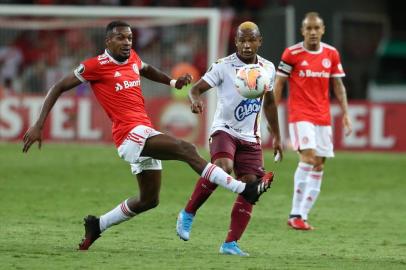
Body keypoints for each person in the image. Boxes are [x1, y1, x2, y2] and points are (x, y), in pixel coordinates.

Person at [22, 21, 274, 251]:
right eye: (120, 38)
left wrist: (173, 82)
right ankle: (243, 188)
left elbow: (146, 69)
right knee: (186, 149)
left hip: (144, 131)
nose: (127, 42)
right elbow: (58, 86)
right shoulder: (94, 66)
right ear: (108, 42)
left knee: (149, 199)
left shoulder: (131, 57)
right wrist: (38, 123)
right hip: (128, 134)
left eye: (130, 37)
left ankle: (97, 225)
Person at [176, 21, 283, 256]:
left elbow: (271, 102)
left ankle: (230, 244)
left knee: (250, 188)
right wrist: (194, 100)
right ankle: (188, 212)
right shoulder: (223, 66)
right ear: (235, 42)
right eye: (242, 40)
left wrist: (276, 136)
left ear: (259, 41)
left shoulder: (268, 68)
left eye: (251, 40)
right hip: (224, 130)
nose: (246, 45)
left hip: (251, 137)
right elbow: (195, 89)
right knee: (222, 167)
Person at [273, 12, 352, 230]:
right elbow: (279, 85)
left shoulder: (331, 54)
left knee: (319, 164)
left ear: (323, 29)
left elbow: (338, 86)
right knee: (308, 158)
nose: (313, 32)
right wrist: (271, 114)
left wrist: (345, 113)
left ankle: (302, 216)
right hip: (300, 115)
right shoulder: (292, 54)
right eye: (309, 28)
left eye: (316, 28)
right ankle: (294, 213)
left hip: (323, 117)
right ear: (302, 31)